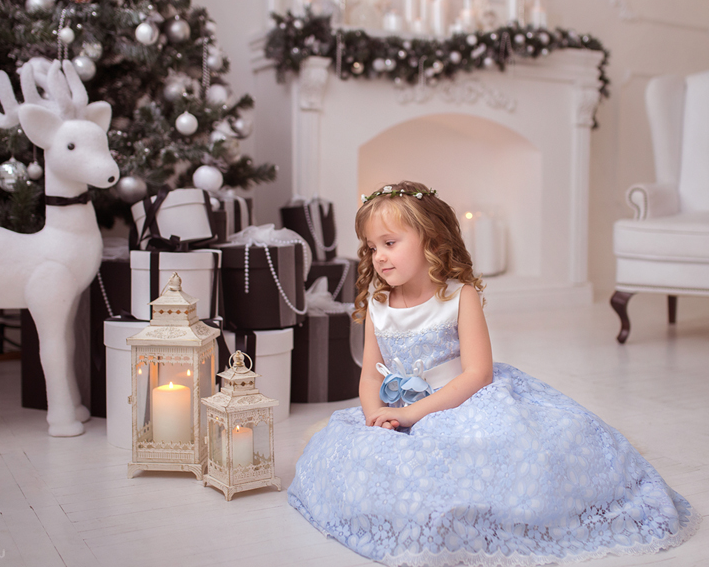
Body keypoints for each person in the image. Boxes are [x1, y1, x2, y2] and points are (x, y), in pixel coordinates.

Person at [288, 181, 700, 567]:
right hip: (397, 410)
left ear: (431, 240)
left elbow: (478, 374)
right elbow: (371, 376)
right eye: (371, 247)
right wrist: (375, 416)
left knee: (512, 449)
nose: (378, 256)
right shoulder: (379, 304)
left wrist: (414, 414)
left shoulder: (458, 296)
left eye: (390, 243)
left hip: (461, 400)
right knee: (354, 458)